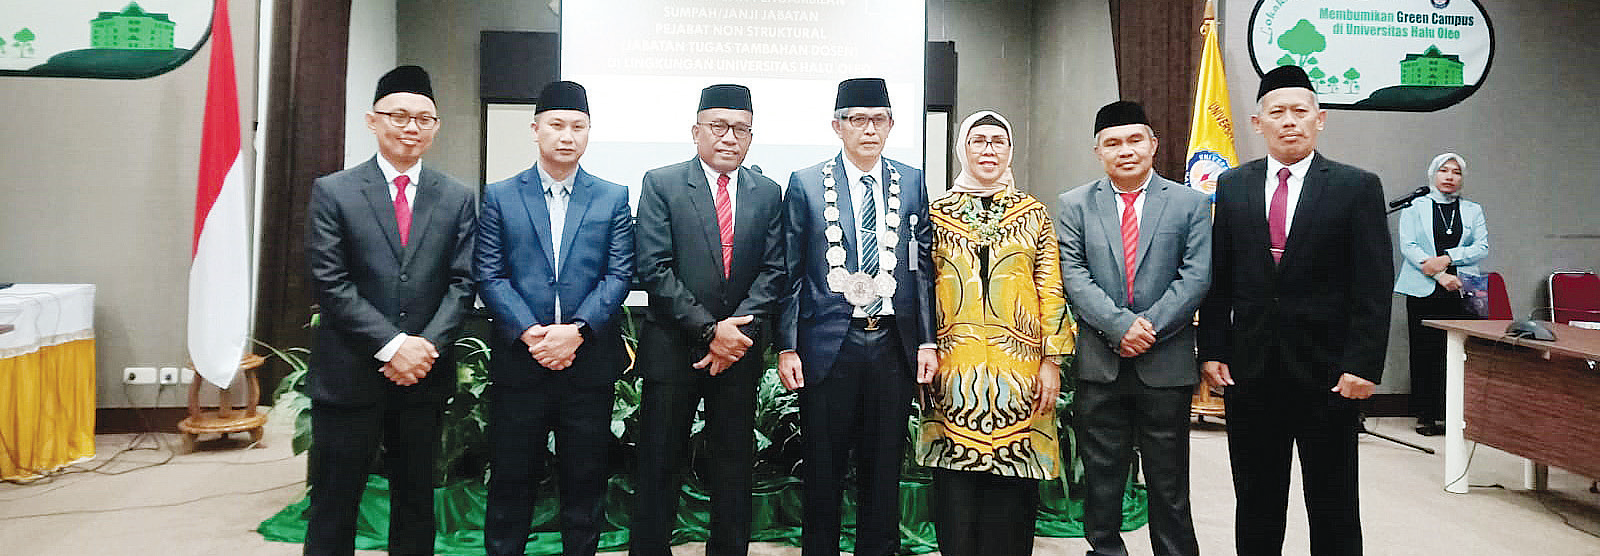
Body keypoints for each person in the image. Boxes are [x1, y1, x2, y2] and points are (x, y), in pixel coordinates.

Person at [1198, 65, 1393, 556]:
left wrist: (1364, 364)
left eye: (1300, 112)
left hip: (1329, 373)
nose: (1289, 121)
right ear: (1257, 121)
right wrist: (1213, 348)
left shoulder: (1356, 187)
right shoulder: (1233, 184)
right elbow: (1220, 277)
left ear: (1320, 120)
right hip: (1251, 371)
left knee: (1333, 502)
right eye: (1277, 112)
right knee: (1257, 501)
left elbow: (1373, 285)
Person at [302, 65, 477, 556]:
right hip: (350, 374)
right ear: (372, 121)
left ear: (436, 127)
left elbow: (463, 283)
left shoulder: (457, 197)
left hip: (422, 375)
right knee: (336, 500)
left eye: (423, 118)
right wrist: (393, 345)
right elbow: (330, 283)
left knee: (416, 498)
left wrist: (422, 349)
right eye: (398, 116)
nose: (410, 127)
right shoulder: (334, 191)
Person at [776, 78, 938, 556]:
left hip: (891, 344)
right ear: (837, 126)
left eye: (880, 119)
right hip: (829, 345)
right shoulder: (806, 183)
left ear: (891, 125)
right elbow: (790, 271)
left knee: (883, 466)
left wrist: (926, 340)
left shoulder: (910, 181)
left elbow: (922, 266)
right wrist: (787, 344)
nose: (870, 129)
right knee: (823, 468)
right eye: (858, 119)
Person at [475, 81, 634, 556]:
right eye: (557, 125)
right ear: (536, 129)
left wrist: (578, 332)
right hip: (521, 363)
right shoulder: (501, 196)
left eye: (578, 127)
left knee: (584, 479)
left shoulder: (612, 196)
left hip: (588, 363)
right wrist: (532, 333)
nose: (567, 136)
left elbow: (619, 273)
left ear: (589, 133)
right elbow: (489, 273)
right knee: (511, 476)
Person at [630, 84, 786, 556]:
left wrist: (734, 333)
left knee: (733, 468)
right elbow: (653, 268)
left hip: (738, 352)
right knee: (660, 464)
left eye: (741, 129)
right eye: (718, 126)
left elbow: (774, 270)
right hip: (674, 350)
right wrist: (708, 330)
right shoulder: (662, 183)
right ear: (696, 130)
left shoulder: (766, 192)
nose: (729, 138)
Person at [918, 110, 1076, 556]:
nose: (988, 150)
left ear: (1010, 151)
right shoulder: (936, 214)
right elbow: (920, 290)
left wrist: (1052, 361)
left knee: (1012, 495)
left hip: (1021, 374)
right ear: (962, 149)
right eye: (978, 141)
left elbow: (1050, 287)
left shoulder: (1034, 214)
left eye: (998, 142)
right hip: (953, 374)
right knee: (956, 491)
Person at [1056, 101, 1209, 556]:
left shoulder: (1191, 203)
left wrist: (1147, 329)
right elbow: (1074, 274)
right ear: (1098, 151)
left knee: (1169, 480)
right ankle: (1104, 550)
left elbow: (1196, 276)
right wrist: (1119, 327)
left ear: (1153, 145)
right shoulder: (1074, 204)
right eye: (1113, 143)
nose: (1125, 151)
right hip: (1100, 365)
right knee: (1101, 478)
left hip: (1166, 365)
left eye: (1134, 140)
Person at [1394, 153, 1487, 437]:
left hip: (1463, 288)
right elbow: (1409, 247)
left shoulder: (1473, 210)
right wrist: (1438, 275)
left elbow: (1481, 247)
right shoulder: (1414, 208)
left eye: (1456, 172)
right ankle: (1426, 414)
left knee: (1461, 353)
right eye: (1443, 171)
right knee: (1425, 351)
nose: (1449, 176)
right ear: (1433, 174)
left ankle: (1456, 413)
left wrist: (1448, 258)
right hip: (1424, 288)